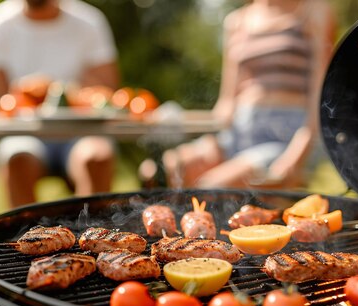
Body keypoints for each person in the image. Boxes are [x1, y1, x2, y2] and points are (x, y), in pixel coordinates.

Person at [144, 0, 336, 189]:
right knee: (160, 169)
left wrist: (295, 156)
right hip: (237, 132)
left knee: (213, 188)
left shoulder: (313, 10)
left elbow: (320, 97)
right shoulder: (237, 21)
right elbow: (226, 105)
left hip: (286, 138)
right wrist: (175, 119)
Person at [0, 0, 120, 207]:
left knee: (97, 157)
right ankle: (29, 236)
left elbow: (108, 89)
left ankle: (90, 233)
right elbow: (0, 96)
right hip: (25, 131)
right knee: (16, 159)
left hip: (81, 131)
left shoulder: (89, 21)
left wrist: (69, 91)